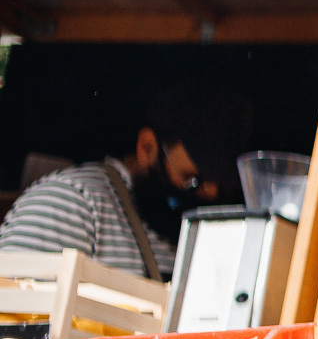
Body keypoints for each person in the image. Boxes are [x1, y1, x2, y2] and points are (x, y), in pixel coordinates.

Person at [0, 83, 248, 281]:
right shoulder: (70, 203)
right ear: (147, 147)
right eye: (194, 180)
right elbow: (13, 327)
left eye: (221, 186)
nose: (209, 194)